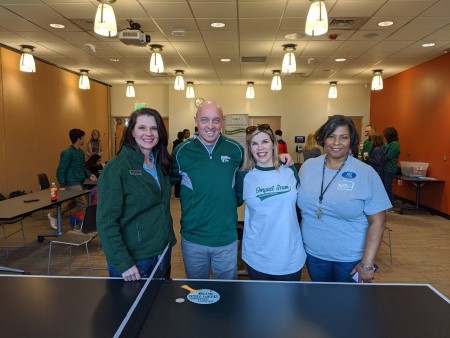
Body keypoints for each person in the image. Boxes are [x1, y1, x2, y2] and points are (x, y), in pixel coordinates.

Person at [171, 100, 294, 280]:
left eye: (216, 120)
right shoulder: (181, 152)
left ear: (223, 122)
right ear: (196, 120)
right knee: (197, 294)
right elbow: (167, 181)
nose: (210, 126)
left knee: (228, 294)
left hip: (226, 238)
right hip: (193, 239)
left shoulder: (235, 149)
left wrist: (279, 156)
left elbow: (258, 162)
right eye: (205, 120)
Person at [297, 115, 391, 283]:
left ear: (351, 140)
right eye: (331, 136)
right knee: (321, 302)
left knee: (348, 306)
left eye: (343, 137)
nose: (336, 142)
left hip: (350, 259)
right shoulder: (308, 167)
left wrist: (367, 264)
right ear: (323, 138)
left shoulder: (366, 173)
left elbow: (378, 222)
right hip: (313, 255)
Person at [97, 108, 176, 282]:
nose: (148, 133)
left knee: (159, 305)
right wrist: (122, 262)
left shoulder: (160, 163)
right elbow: (106, 222)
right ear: (132, 131)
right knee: (134, 308)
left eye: (154, 128)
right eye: (142, 128)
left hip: (162, 251)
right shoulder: (117, 168)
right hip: (135, 260)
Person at [236, 124, 306, 281]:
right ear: (249, 148)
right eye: (254, 143)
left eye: (265, 142)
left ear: (274, 144)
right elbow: (231, 203)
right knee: (261, 304)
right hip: (257, 255)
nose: (260, 147)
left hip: (290, 255)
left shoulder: (289, 170)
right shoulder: (244, 176)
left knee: (289, 304)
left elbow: (304, 204)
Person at [47, 129, 97, 229]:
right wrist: (62, 185)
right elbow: (61, 170)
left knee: (72, 202)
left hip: (79, 181)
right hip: (71, 182)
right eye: (83, 137)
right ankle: (87, 226)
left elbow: (83, 167)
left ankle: (53, 215)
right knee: (83, 204)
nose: (84, 139)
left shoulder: (81, 152)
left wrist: (90, 174)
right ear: (79, 139)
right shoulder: (67, 153)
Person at [383, 127, 400, 204]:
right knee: (384, 187)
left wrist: (379, 158)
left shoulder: (395, 144)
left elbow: (389, 156)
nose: (384, 136)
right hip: (384, 168)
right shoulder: (387, 143)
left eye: (385, 135)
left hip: (390, 168)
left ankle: (390, 204)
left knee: (387, 187)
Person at [172, 131, 185, 199]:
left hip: (176, 162)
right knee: (178, 180)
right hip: (179, 162)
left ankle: (176, 194)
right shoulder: (181, 145)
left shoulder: (176, 142)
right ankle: (177, 194)